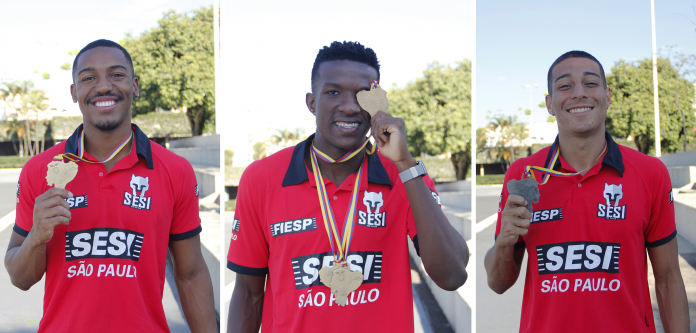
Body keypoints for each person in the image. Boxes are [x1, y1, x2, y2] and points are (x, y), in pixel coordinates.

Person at [226, 41, 469, 333]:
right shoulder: (261, 178)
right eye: (333, 92)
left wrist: (406, 164)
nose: (351, 106)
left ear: (378, 103)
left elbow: (453, 275)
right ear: (311, 101)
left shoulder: (405, 175)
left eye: (364, 95)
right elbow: (249, 294)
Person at [3, 39, 217, 333]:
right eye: (88, 78)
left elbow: (191, 273)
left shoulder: (174, 170)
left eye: (116, 75)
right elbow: (20, 278)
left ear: (136, 85)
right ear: (74, 93)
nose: (103, 86)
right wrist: (36, 238)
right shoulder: (41, 170)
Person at [484, 50, 689, 333]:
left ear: (607, 96)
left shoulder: (650, 173)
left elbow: (667, 279)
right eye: (565, 86)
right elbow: (497, 283)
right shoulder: (523, 175)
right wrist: (504, 242)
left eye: (590, 84)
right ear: (549, 104)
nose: (579, 93)